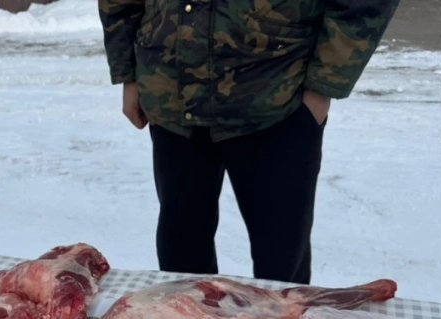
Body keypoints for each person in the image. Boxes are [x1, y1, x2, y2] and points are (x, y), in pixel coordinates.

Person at [99, 0, 401, 284]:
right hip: (171, 95)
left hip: (277, 96)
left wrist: (324, 85)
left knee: (282, 274)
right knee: (181, 268)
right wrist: (128, 72)